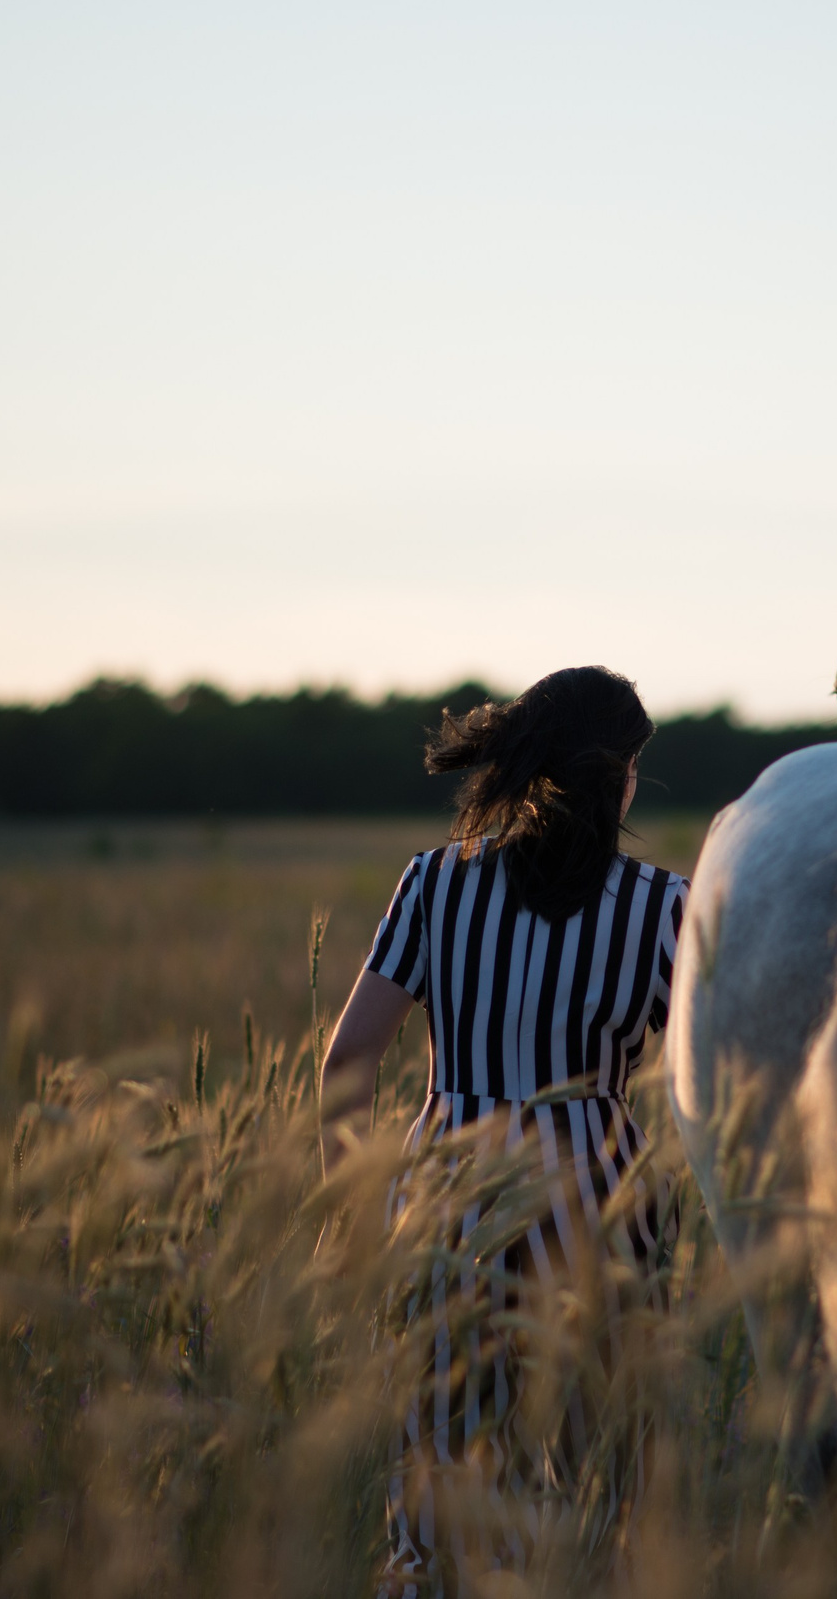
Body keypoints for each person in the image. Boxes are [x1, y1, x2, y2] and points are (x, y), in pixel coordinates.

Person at [319, 665, 686, 1589]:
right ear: (621, 778)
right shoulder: (661, 906)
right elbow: (726, 1079)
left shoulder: (435, 882)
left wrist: (361, 1223)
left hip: (443, 1206)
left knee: (439, 1494)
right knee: (604, 1495)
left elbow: (347, 1063)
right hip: (598, 1209)